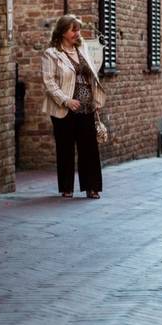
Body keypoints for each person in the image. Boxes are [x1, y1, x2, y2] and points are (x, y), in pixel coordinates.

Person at [41, 14, 106, 199]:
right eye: (73, 30)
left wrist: (96, 100)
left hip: (86, 106)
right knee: (65, 148)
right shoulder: (51, 54)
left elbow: (91, 75)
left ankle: (92, 187)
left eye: (78, 29)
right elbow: (49, 82)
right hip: (64, 108)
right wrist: (66, 100)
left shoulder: (83, 48)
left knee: (90, 148)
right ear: (62, 32)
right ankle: (66, 188)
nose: (77, 33)